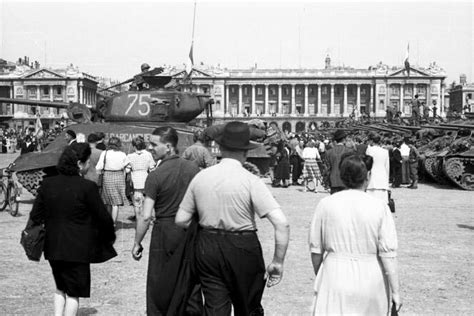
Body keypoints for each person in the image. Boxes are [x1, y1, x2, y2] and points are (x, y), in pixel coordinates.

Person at [175, 121, 290, 315]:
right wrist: (277, 262)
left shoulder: (200, 177)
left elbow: (181, 219)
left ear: (219, 148)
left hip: (208, 246)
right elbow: (282, 223)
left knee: (215, 307)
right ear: (246, 151)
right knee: (248, 306)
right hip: (243, 246)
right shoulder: (250, 180)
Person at [28, 143, 116, 316]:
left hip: (53, 244)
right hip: (78, 247)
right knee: (74, 292)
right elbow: (103, 218)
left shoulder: (47, 184)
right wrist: (108, 237)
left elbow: (36, 215)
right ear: (79, 164)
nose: (89, 164)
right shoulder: (87, 187)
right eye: (88, 161)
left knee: (60, 287)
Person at [309, 153, 401, 315]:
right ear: (368, 176)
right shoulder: (379, 207)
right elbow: (388, 254)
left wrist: (323, 274)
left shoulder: (325, 204)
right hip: (370, 276)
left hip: (334, 273)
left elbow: (316, 250)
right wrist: (395, 291)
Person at [132, 127, 202, 315]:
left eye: (154, 144)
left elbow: (146, 216)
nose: (150, 148)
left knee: (159, 280)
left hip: (164, 232)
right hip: (189, 231)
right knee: (190, 279)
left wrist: (137, 242)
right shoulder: (193, 169)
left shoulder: (155, 176)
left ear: (169, 147)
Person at [95, 137, 130, 224]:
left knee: (107, 201)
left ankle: (108, 221)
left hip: (107, 176)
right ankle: (113, 223)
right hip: (119, 176)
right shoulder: (122, 154)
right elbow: (128, 168)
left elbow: (98, 167)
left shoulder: (105, 153)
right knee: (116, 202)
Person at [126, 136, 155, 220]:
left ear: (134, 146)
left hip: (135, 181)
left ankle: (138, 219)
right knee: (147, 200)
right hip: (146, 179)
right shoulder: (148, 155)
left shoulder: (130, 156)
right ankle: (147, 217)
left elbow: (127, 170)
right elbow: (152, 168)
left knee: (137, 202)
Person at [325, 129, 354, 194]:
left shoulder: (329, 152)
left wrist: (326, 183)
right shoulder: (349, 151)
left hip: (333, 180)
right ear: (344, 139)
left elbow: (327, 169)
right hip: (345, 181)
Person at [365, 132, 390, 202]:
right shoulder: (385, 151)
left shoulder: (369, 150)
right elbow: (387, 167)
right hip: (382, 179)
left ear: (372, 141)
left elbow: (368, 165)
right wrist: (387, 180)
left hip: (372, 178)